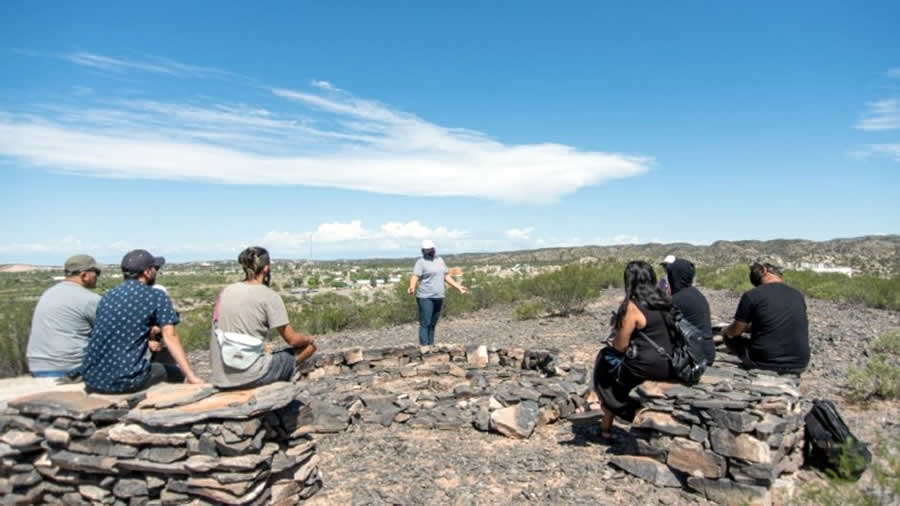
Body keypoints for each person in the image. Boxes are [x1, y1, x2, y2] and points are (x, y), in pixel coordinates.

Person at [81, 250, 202, 393]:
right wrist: (191, 376)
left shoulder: (108, 296)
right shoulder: (156, 296)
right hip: (126, 380)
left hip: (93, 378)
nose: (156, 272)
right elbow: (170, 337)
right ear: (147, 272)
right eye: (154, 268)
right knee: (176, 373)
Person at [210, 246, 317, 389]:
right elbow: (292, 340)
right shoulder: (269, 295)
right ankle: (270, 382)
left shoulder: (225, 291)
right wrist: (309, 339)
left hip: (220, 375)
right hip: (249, 374)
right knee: (309, 347)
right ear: (266, 268)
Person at [593, 261, 674, 439]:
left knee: (605, 361)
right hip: (670, 362)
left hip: (646, 365)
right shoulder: (665, 301)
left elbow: (620, 346)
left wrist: (617, 329)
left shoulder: (632, 306)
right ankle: (608, 424)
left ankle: (618, 413)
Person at [721, 262, 809, 375]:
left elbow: (735, 331)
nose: (751, 274)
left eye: (753, 270)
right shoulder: (798, 295)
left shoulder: (752, 295)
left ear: (764, 270)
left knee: (730, 337)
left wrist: (724, 330)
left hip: (766, 363)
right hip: (799, 363)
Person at [26, 255, 102, 377]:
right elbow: (111, 333)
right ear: (84, 275)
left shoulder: (48, 293)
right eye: (96, 272)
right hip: (70, 366)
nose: (98, 276)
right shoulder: (90, 299)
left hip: (36, 365)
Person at [407, 240, 467, 346]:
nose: (429, 251)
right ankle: (425, 347)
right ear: (423, 251)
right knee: (426, 322)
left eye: (430, 249)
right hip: (425, 296)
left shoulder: (440, 260)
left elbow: (446, 276)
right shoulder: (420, 262)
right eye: (427, 250)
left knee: (433, 323)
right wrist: (412, 287)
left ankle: (431, 345)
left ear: (434, 249)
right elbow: (415, 276)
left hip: (439, 296)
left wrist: (458, 287)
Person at [665, 257, 715, 364]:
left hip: (696, 356)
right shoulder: (694, 293)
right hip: (706, 351)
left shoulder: (677, 299)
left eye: (669, 275)